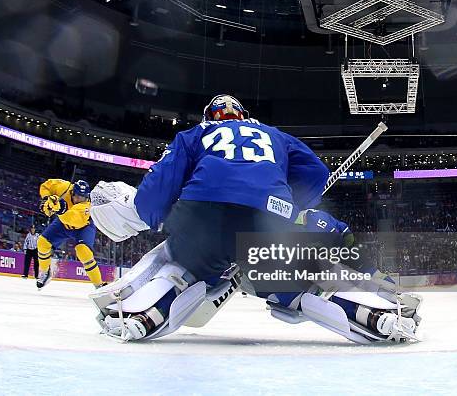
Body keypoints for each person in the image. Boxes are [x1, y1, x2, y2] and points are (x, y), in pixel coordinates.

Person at [89, 94, 421, 343]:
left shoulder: (194, 134)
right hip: (268, 219)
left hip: (204, 214)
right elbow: (318, 174)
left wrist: (156, 217)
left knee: (178, 259)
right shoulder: (275, 135)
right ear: (244, 116)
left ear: (211, 116)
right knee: (291, 288)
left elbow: (157, 191)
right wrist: (285, 206)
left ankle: (140, 312)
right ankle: (377, 318)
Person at [36, 179, 104, 289]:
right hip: (63, 222)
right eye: (77, 196)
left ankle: (99, 285)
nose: (79, 200)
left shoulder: (88, 205)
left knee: (84, 252)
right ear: (72, 192)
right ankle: (44, 271)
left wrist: (60, 209)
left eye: (83, 198)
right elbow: (46, 185)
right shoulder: (64, 187)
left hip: (83, 227)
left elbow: (74, 218)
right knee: (42, 243)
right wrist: (46, 199)